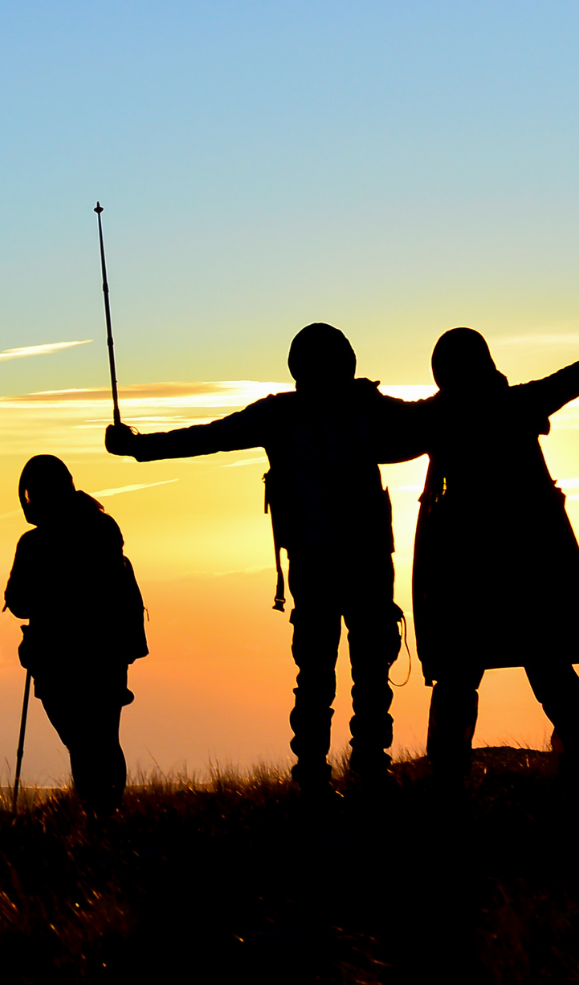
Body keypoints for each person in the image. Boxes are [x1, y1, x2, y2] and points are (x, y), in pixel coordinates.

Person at [105, 323, 422, 799]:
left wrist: (139, 448)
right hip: (365, 563)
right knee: (365, 672)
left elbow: (207, 437)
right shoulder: (366, 406)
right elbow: (428, 422)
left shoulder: (284, 414)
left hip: (319, 566)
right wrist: (139, 449)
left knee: (319, 676)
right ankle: (366, 770)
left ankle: (317, 776)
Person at [411, 301, 579, 790]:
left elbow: (382, 434)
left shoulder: (434, 418)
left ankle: (448, 778)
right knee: (547, 664)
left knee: (459, 674)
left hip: (464, 572)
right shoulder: (517, 404)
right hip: (528, 565)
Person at [3, 455, 147, 814]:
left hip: (61, 658)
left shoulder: (33, 543)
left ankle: (98, 811)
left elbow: (18, 602)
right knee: (100, 739)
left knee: (83, 742)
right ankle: (104, 814)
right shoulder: (102, 527)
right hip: (104, 655)